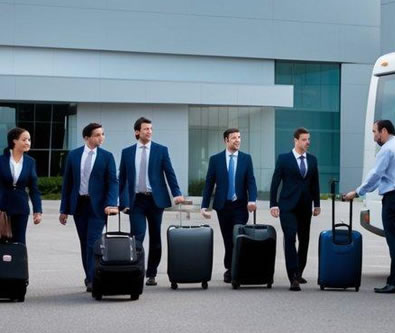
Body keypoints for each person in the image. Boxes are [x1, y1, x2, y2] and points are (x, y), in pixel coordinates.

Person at [344, 120, 395, 294]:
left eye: (375, 131)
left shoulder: (387, 150)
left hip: (393, 199)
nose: (374, 135)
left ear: (384, 131)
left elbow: (376, 174)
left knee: (394, 242)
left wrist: (358, 192)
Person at [119, 117, 184, 286]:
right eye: (146, 129)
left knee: (155, 237)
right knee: (137, 236)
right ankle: (137, 270)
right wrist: (121, 201)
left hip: (155, 200)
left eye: (151, 129)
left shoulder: (161, 150)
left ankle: (152, 273)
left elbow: (170, 173)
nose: (149, 131)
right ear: (137, 132)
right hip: (136, 201)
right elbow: (123, 179)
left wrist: (176, 193)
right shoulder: (127, 152)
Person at [59, 123, 119, 292]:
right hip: (79, 205)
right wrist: (64, 210)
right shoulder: (74, 155)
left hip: (98, 207)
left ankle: (94, 279)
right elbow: (68, 183)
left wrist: (111, 203)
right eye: (97, 135)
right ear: (87, 138)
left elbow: (112, 182)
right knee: (84, 243)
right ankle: (89, 276)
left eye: (103, 134)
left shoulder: (107, 156)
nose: (102, 137)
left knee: (93, 242)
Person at [200, 128, 257, 284]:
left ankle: (235, 269)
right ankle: (229, 267)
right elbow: (209, 184)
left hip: (240, 205)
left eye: (239, 137)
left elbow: (251, 181)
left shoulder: (246, 159)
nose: (237, 140)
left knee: (237, 236)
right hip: (223, 206)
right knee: (227, 238)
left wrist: (252, 200)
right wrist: (204, 206)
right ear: (226, 140)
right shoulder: (215, 159)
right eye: (234, 138)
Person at [269, 128, 320, 291]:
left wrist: (317, 204)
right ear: (296, 141)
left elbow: (315, 183)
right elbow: (275, 182)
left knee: (304, 239)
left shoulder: (312, 160)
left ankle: (299, 271)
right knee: (290, 237)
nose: (308, 142)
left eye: (309, 139)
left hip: (305, 206)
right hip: (287, 206)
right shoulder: (284, 159)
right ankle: (293, 276)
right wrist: (273, 204)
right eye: (304, 139)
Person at [0, 127, 43, 246]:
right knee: (2, 243)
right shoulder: (1, 161)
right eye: (24, 140)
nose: (28, 143)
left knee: (19, 243)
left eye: (29, 140)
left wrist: (37, 211)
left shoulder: (30, 162)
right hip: (2, 208)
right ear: (14, 141)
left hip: (21, 208)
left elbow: (34, 189)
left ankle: (18, 265)